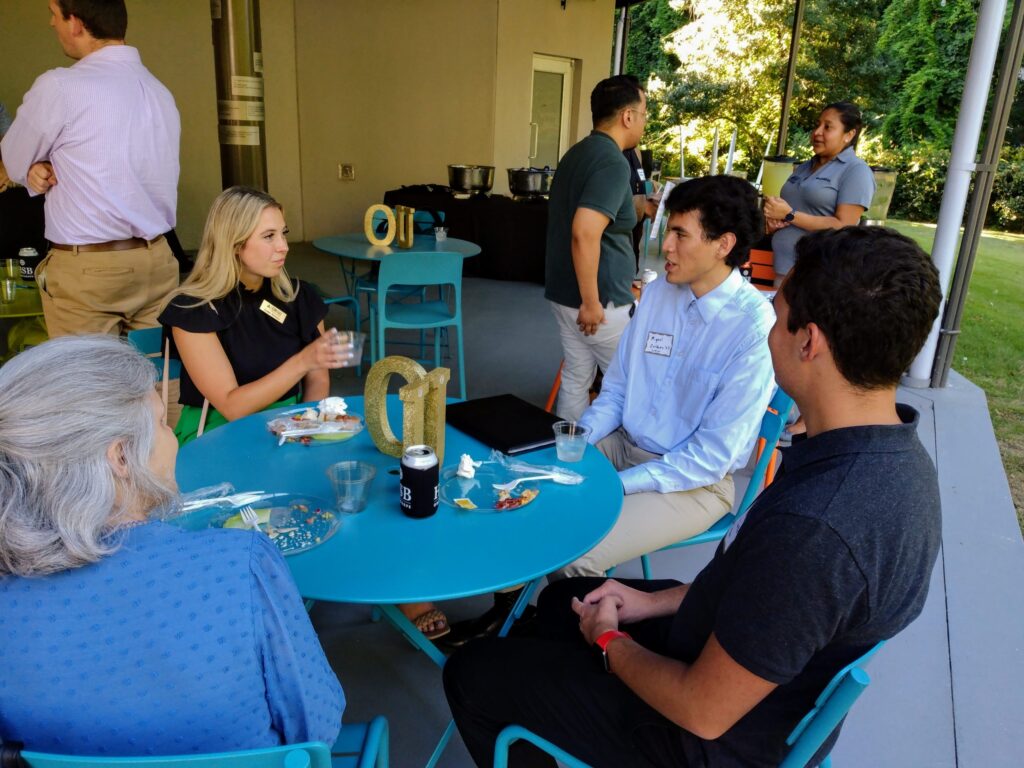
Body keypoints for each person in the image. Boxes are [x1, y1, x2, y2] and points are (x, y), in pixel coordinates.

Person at [443, 225, 943, 768]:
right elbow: (762, 595)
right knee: (570, 600)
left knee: (472, 673)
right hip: (745, 664)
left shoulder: (817, 527)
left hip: (703, 737)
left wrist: (612, 645)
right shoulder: (895, 460)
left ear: (809, 341)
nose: (768, 330)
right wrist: (649, 603)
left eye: (777, 316)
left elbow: (702, 709)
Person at [0, 335, 345, 755]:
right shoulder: (239, 563)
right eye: (163, 423)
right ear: (121, 458)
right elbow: (319, 726)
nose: (173, 438)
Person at [158, 186, 449, 641]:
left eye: (284, 233)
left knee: (363, 475)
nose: (284, 246)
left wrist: (318, 419)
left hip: (295, 423)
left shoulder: (294, 294)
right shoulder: (194, 310)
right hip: (222, 433)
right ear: (235, 245)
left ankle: (394, 581)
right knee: (321, 484)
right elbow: (231, 403)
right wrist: (303, 363)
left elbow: (319, 375)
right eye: (269, 236)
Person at [553, 175, 776, 579]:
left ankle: (569, 635)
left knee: (574, 554)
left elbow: (710, 458)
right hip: (622, 445)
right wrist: (581, 441)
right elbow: (617, 391)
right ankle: (510, 615)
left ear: (723, 245)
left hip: (692, 482)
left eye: (679, 233)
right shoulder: (657, 295)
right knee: (523, 499)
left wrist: (619, 485)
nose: (665, 246)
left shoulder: (753, 329)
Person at [0, 0, 180, 337]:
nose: (51, 25)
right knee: (157, 379)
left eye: (54, 15)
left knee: (87, 385)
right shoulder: (159, 92)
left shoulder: (61, 86)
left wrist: (35, 167)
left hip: (90, 269)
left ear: (76, 23)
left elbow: (12, 159)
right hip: (157, 260)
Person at [545, 74, 654, 421]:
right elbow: (585, 232)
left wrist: (641, 208)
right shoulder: (611, 161)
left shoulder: (579, 153)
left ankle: (570, 457)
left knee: (577, 377)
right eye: (644, 113)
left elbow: (601, 216)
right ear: (627, 116)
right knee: (632, 387)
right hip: (599, 301)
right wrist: (591, 302)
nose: (644, 121)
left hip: (565, 294)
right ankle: (628, 466)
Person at [763, 101, 875, 284]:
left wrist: (790, 215)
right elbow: (798, 210)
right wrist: (775, 222)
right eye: (817, 125)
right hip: (783, 271)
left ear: (849, 134)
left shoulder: (856, 171)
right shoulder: (805, 167)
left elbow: (844, 226)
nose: (817, 132)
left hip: (818, 277)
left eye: (828, 127)